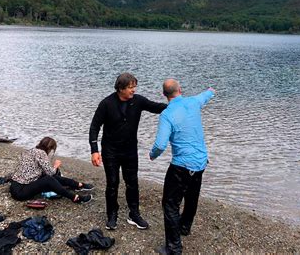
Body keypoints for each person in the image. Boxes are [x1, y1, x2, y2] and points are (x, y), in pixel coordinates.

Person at [89, 72, 167, 230]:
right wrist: (94, 150)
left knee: (132, 183)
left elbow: (157, 107)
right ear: (120, 88)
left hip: (130, 150)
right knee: (112, 184)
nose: (134, 90)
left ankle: (134, 214)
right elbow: (94, 127)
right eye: (131, 87)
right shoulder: (106, 103)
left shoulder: (138, 101)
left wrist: (177, 105)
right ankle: (112, 214)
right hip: (110, 151)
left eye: (134, 86)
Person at [149, 79, 215, 255]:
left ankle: (174, 248)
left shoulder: (167, 114)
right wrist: (211, 90)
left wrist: (152, 155)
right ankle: (185, 227)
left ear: (164, 95)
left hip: (181, 167)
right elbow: (205, 96)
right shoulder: (193, 102)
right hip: (200, 163)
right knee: (192, 197)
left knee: (170, 204)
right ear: (180, 90)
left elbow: (160, 144)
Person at [10, 137, 93, 204]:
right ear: (50, 148)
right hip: (20, 191)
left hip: (16, 187)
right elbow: (50, 172)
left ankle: (77, 185)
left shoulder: (31, 151)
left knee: (48, 177)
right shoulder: (41, 153)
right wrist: (56, 166)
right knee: (49, 178)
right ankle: (74, 197)